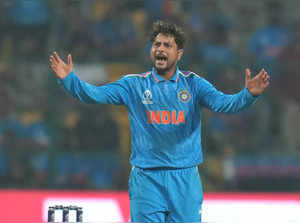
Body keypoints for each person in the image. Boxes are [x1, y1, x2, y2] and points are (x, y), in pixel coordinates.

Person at [49, 20, 270, 223]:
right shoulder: (133, 85)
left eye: (167, 45)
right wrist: (70, 81)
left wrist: (248, 95)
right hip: (147, 179)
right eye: (156, 45)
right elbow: (95, 95)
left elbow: (225, 104)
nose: (160, 49)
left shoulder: (194, 84)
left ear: (179, 53)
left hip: (184, 179)